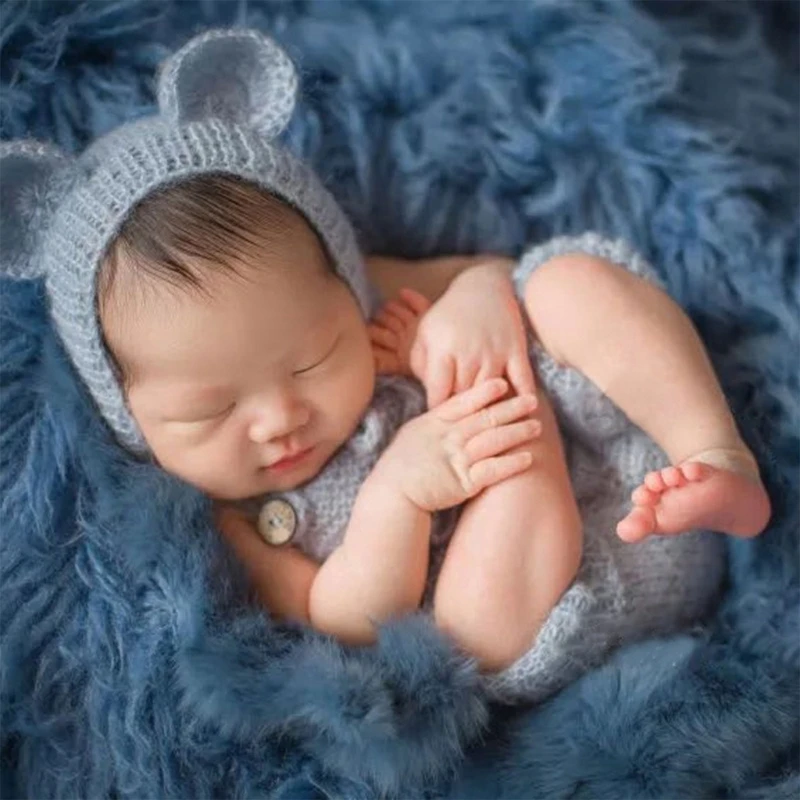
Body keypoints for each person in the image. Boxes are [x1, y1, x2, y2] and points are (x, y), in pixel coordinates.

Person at [1, 28, 770, 685]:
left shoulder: (373, 293)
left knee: (566, 280)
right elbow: (343, 618)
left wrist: (475, 299)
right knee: (464, 633)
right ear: (126, 412)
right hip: (556, 593)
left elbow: (490, 271)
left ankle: (717, 450)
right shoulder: (230, 521)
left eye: (312, 359)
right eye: (210, 410)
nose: (278, 418)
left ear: (345, 280)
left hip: (638, 460)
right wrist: (399, 493)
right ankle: (517, 436)